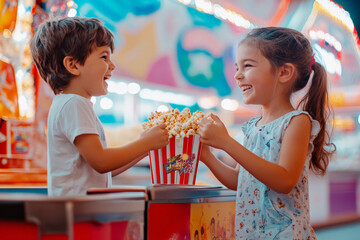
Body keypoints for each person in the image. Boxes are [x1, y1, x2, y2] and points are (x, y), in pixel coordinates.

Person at [199, 27, 335, 239]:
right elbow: (238, 180)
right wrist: (206, 156)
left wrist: (226, 143)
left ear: (284, 72)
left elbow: (284, 180)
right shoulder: (253, 126)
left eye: (248, 66)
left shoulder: (296, 122)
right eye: (237, 67)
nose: (237, 75)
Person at [30, 16, 169, 196]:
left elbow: (104, 171)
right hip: (77, 213)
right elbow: (101, 162)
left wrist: (146, 148)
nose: (111, 65)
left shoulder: (71, 103)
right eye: (104, 57)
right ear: (73, 65)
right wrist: (144, 143)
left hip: (81, 210)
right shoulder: (74, 104)